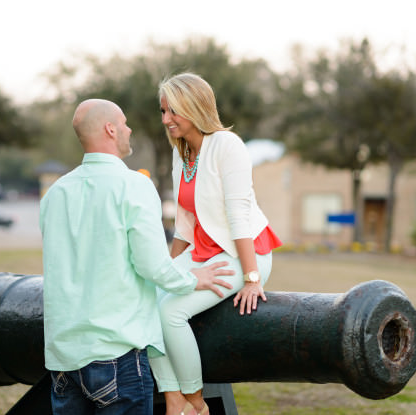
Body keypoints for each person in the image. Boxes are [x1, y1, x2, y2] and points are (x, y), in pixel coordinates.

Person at [40, 98, 235, 415]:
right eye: (125, 123)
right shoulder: (134, 186)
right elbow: (152, 265)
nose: (130, 129)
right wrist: (192, 279)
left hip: (63, 358)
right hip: (116, 354)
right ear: (111, 129)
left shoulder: (57, 193)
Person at [150, 73, 282, 415]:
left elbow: (238, 215)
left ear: (194, 107)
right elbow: (184, 225)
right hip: (201, 253)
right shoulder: (182, 153)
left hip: (244, 253)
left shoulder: (227, 146)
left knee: (170, 312)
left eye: (172, 112)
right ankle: (173, 399)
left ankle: (196, 403)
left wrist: (253, 278)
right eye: (162, 111)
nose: (165, 120)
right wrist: (164, 272)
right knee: (146, 302)